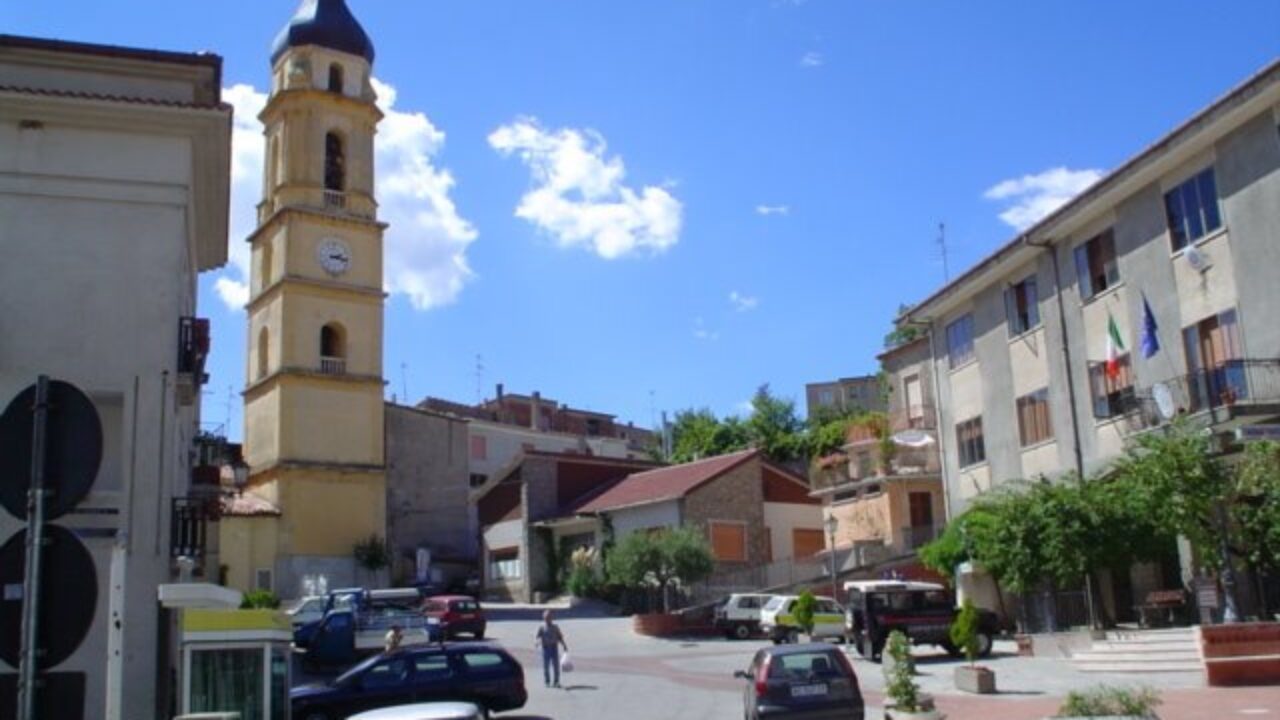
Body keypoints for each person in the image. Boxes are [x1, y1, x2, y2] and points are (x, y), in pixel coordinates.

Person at [535, 609, 568, 688]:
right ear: (543, 618)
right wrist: (537, 642)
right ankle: (547, 681)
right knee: (546, 666)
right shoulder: (541, 627)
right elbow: (538, 637)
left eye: (549, 617)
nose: (547, 619)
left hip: (554, 648)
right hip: (545, 648)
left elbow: (560, 637)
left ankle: (556, 681)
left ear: (551, 618)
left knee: (556, 666)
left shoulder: (555, 627)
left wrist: (564, 645)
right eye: (546, 617)